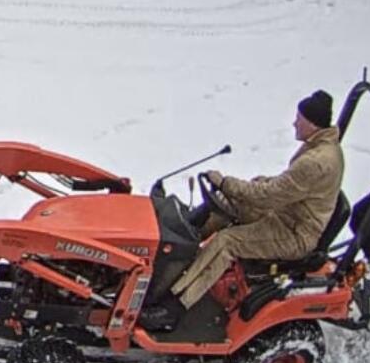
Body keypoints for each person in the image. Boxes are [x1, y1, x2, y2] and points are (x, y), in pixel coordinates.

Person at [140, 90, 345, 332]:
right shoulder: (318, 146)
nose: (294, 123)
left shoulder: (316, 162)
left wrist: (226, 184)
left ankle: (175, 306)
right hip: (287, 214)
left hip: (295, 232)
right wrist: (240, 189)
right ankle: (176, 260)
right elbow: (284, 186)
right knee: (225, 208)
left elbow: (269, 196)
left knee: (227, 242)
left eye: (299, 118)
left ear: (312, 123)